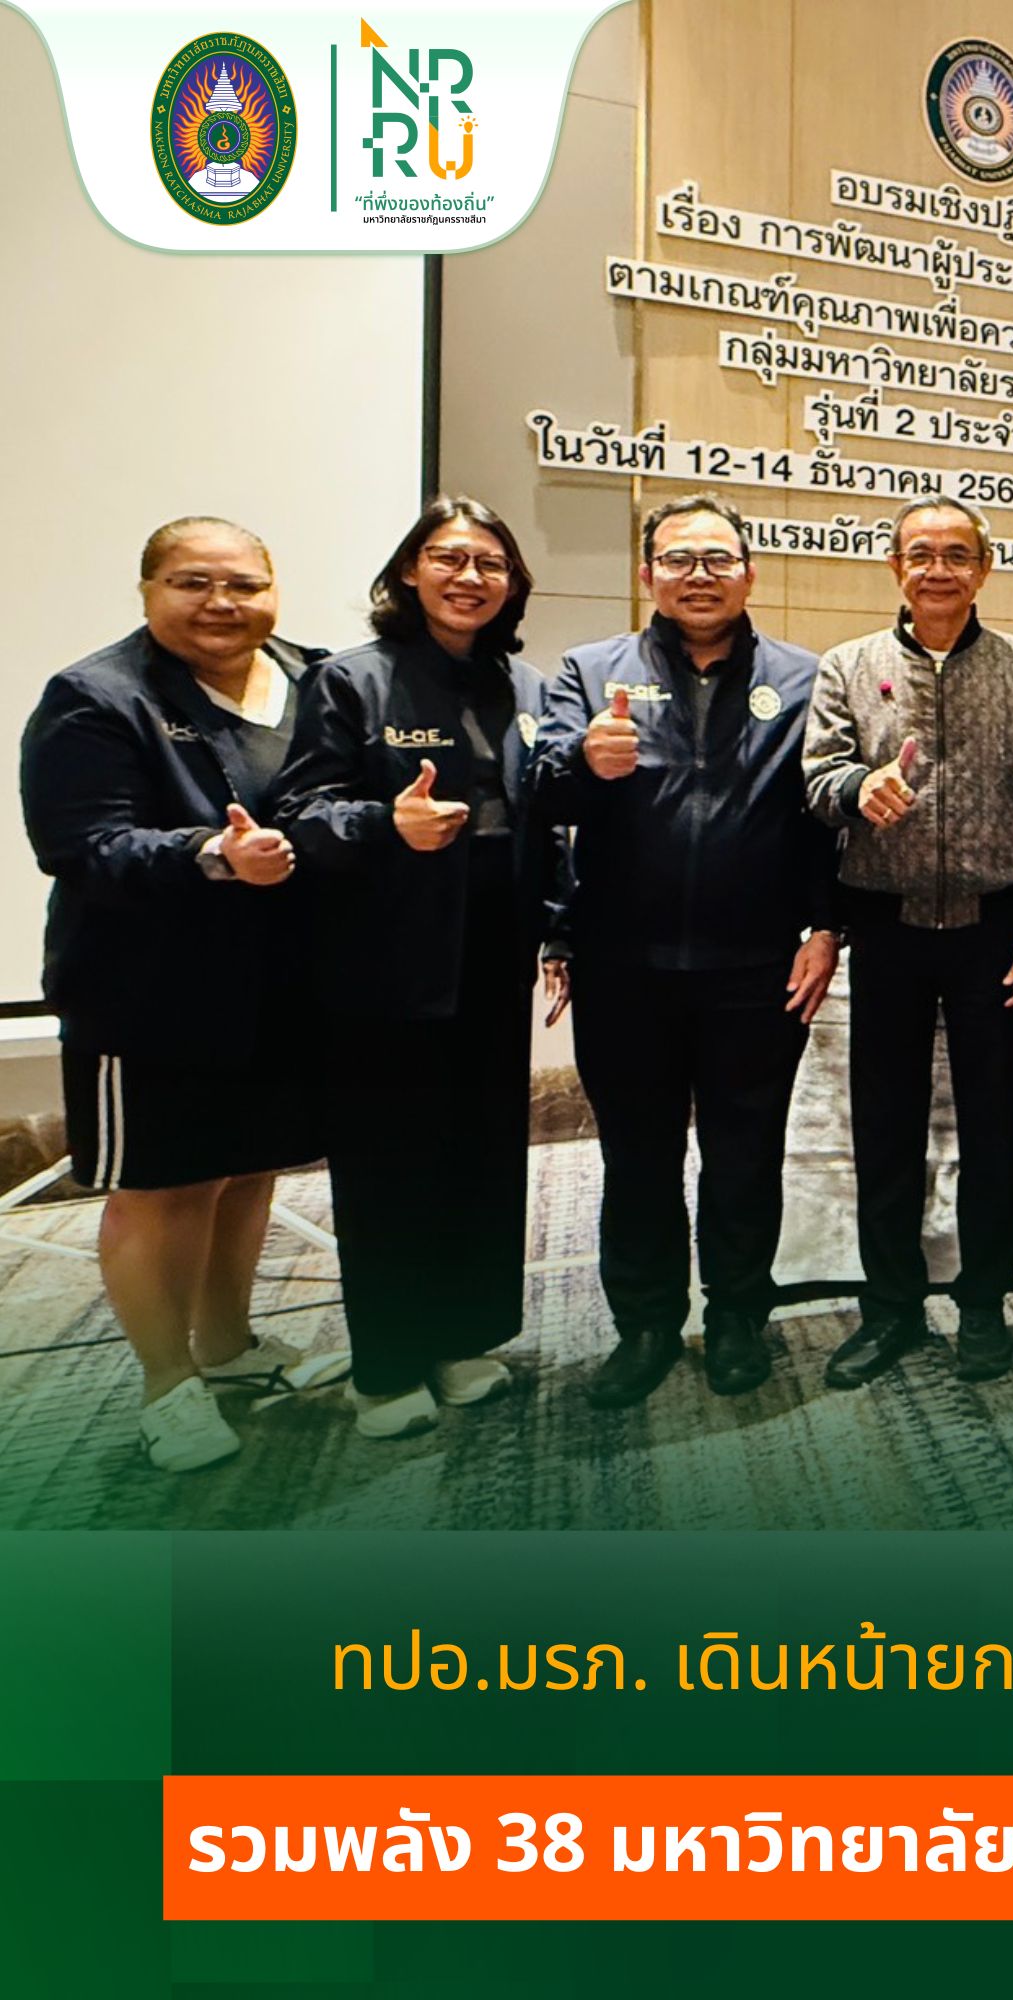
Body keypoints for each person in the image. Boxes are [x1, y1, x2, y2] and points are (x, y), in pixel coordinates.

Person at [20, 516, 324, 1471]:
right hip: (148, 993)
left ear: (273, 589)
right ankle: (168, 1386)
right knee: (163, 1186)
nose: (222, 603)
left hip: (278, 985)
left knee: (245, 1170)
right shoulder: (96, 697)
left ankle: (229, 1350)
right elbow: (81, 845)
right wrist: (211, 855)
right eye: (194, 583)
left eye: (244, 584)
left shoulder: (313, 678)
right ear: (149, 590)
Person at [533, 494, 839, 1406]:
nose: (698, 576)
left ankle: (739, 1315)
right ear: (647, 575)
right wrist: (584, 762)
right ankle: (646, 1325)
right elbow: (542, 796)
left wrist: (827, 928)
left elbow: (823, 823)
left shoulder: (803, 678)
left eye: (717, 559)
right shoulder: (592, 672)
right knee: (638, 1158)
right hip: (624, 967)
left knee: (746, 1155)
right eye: (677, 560)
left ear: (749, 573)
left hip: (756, 968)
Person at [272, 497, 565, 1440]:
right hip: (385, 960)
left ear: (512, 584)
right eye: (449, 558)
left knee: (481, 1153)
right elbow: (302, 814)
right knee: (391, 1164)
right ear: (409, 571)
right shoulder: (349, 680)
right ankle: (388, 1365)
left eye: (490, 564)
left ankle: (461, 1338)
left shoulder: (526, 686)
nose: (470, 577)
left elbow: (547, 822)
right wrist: (384, 824)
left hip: (493, 952)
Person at [802, 498, 1013, 1388]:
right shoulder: (848, 666)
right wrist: (857, 787)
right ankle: (891, 1307)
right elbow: (817, 777)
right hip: (888, 926)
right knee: (886, 1126)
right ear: (895, 567)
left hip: (996, 930)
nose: (938, 569)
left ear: (983, 569)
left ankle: (984, 1303)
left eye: (957, 554)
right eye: (921, 554)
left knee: (993, 1125)